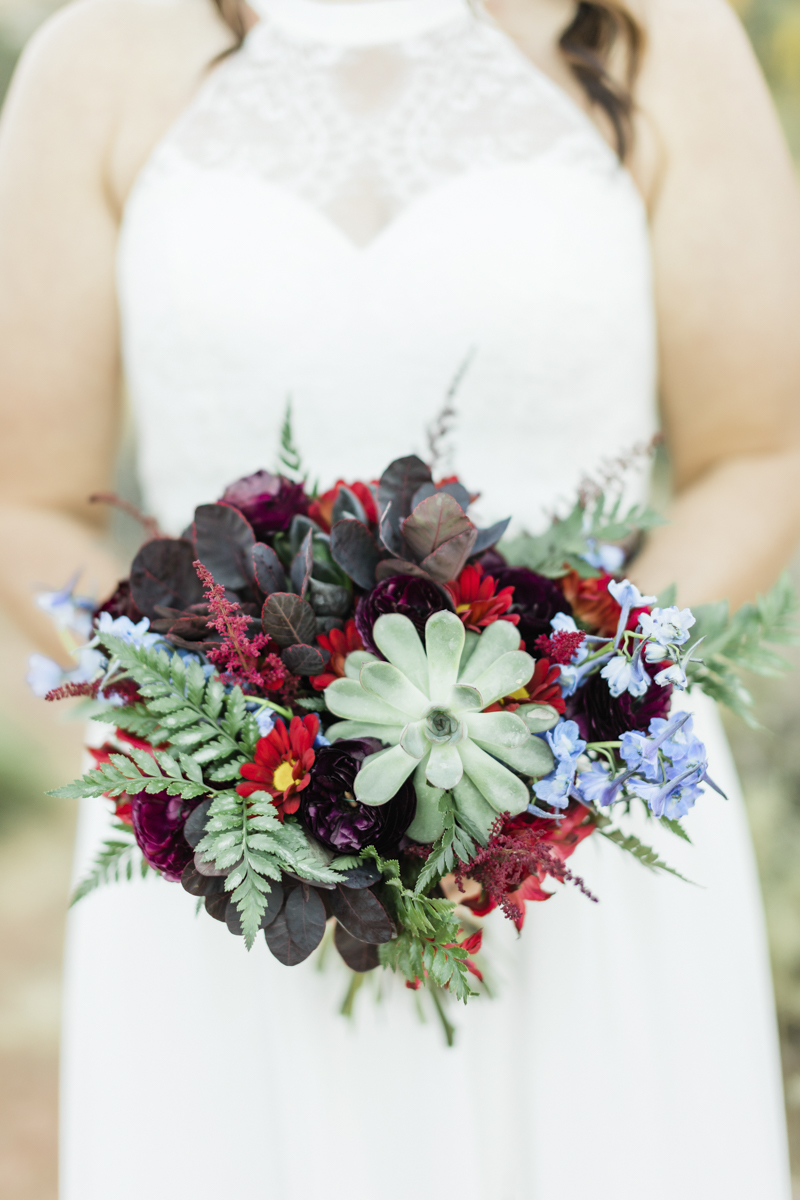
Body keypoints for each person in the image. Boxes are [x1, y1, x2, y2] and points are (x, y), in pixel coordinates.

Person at [0, 0, 798, 1195]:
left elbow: (760, 448)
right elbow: (26, 495)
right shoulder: (95, 58)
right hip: (237, 854)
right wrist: (211, 733)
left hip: (577, 833)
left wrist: (561, 715)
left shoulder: (656, 33)